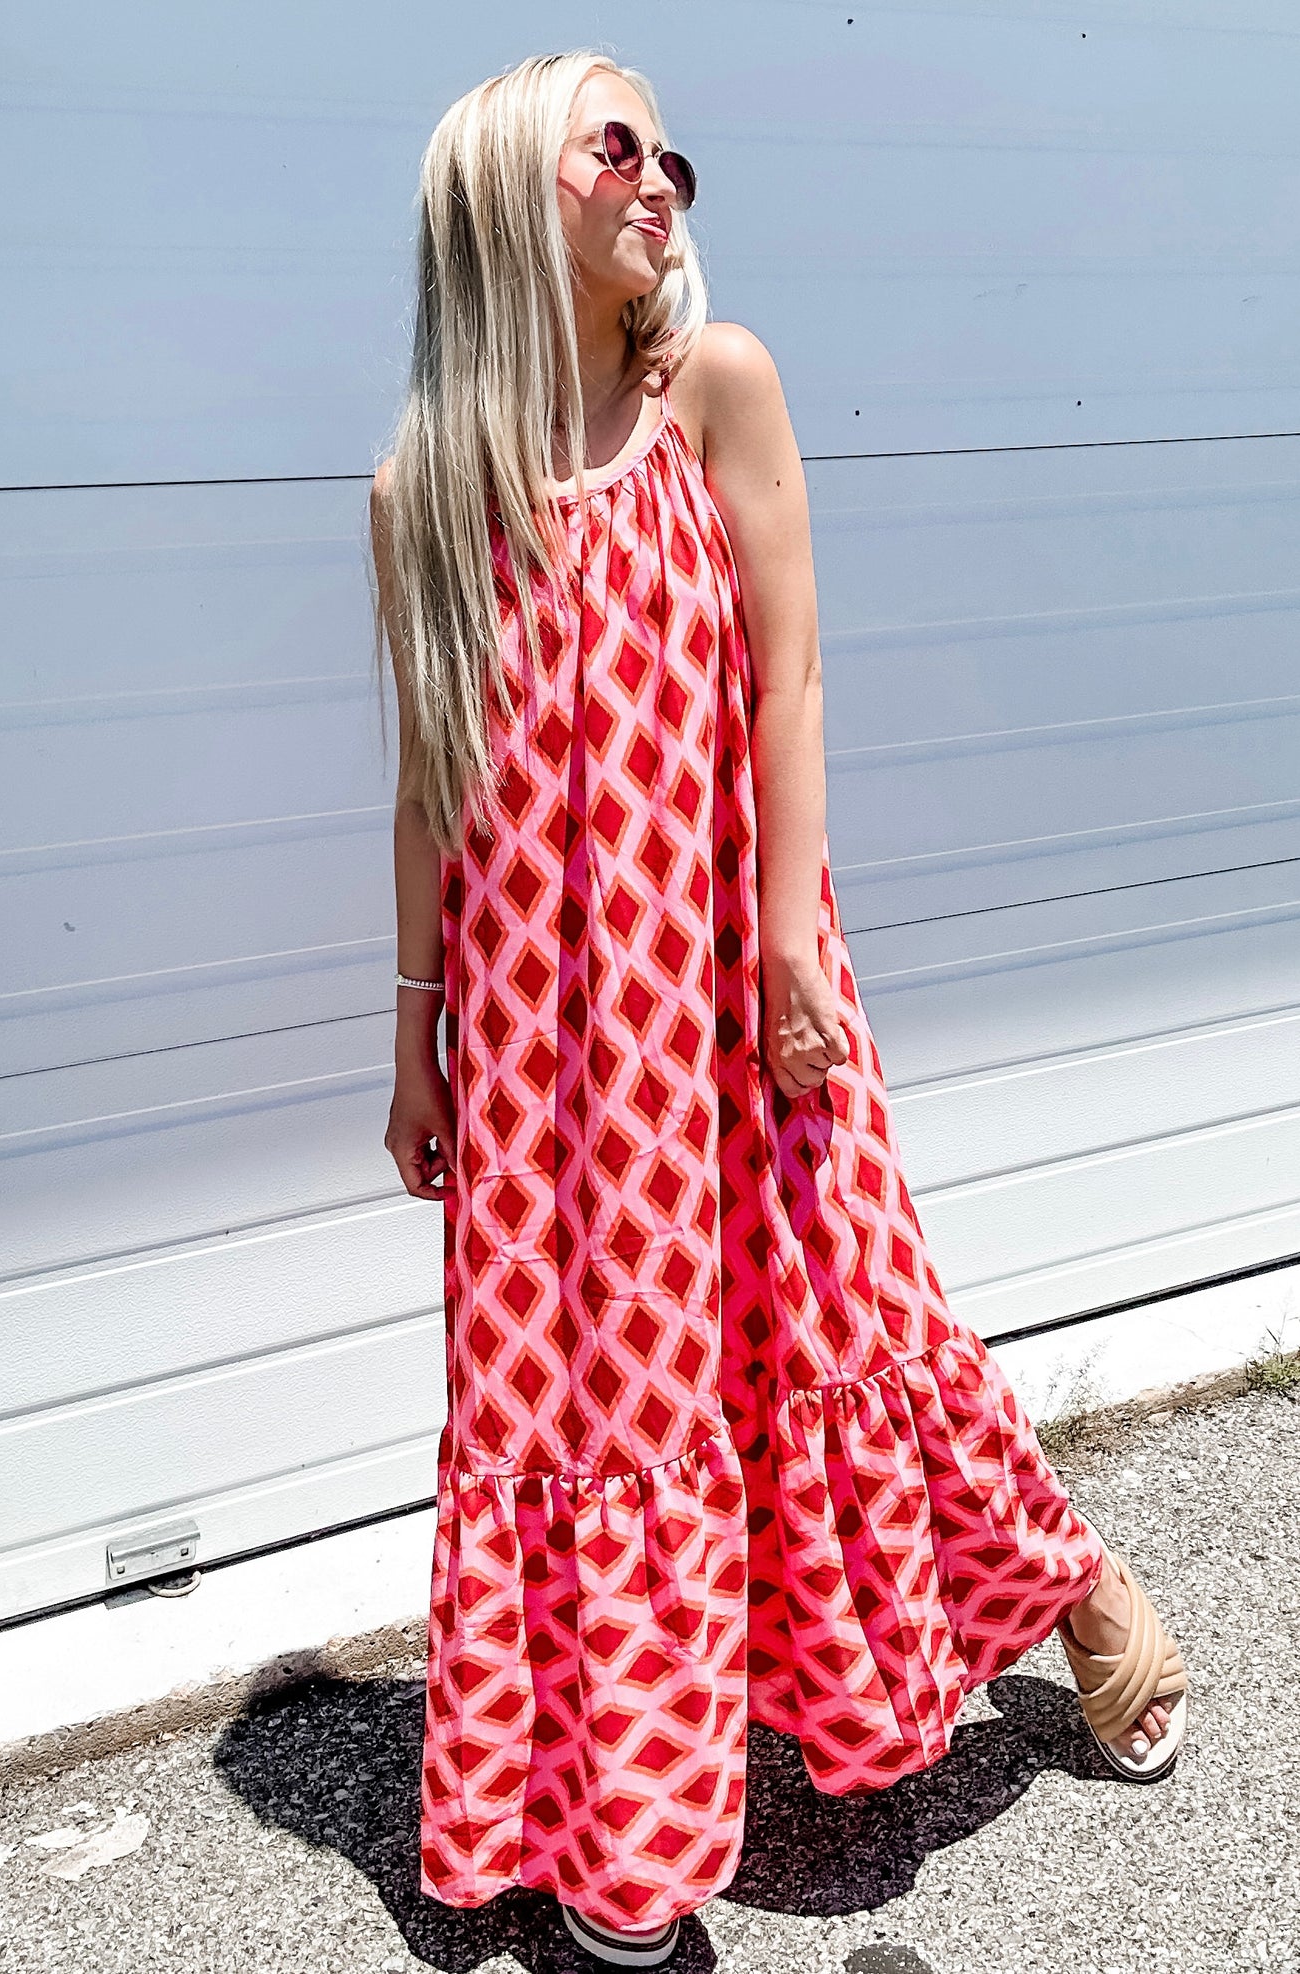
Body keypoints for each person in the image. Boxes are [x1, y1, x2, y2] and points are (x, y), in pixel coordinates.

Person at [370, 50, 1189, 1968]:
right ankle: (629, 1845)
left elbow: (791, 671)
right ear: (507, 195)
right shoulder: (423, 488)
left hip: (731, 984)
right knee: (589, 1401)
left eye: (667, 147)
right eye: (611, 146)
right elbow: (424, 778)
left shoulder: (710, 386)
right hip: (535, 1039)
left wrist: (788, 946)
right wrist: (411, 1030)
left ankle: (1082, 1606)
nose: (657, 176)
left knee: (843, 1325)